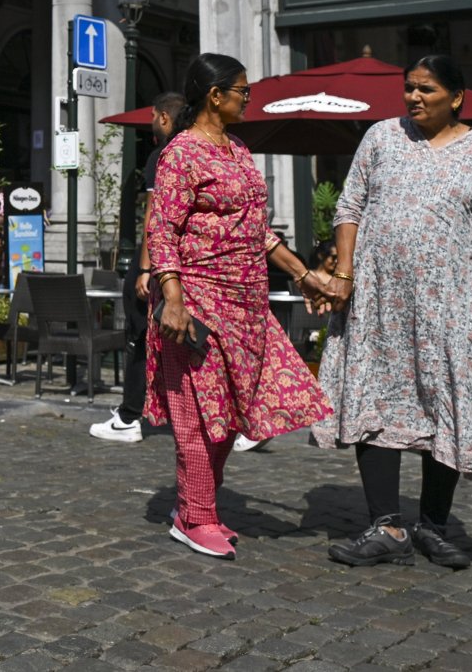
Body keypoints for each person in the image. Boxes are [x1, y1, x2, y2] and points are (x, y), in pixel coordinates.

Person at [313, 54, 472, 571]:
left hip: (453, 308)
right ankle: (386, 526)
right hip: (379, 304)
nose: (414, 98)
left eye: (426, 89)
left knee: (443, 403)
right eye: (409, 88)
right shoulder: (382, 137)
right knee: (376, 399)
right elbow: (350, 206)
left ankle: (433, 527)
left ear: (456, 96)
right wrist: (343, 273)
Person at [146, 53, 331, 558]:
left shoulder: (239, 150)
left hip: (246, 304)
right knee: (199, 414)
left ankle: (194, 505)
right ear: (215, 95)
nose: (249, 99)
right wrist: (174, 299)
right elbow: (161, 229)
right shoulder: (182, 153)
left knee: (230, 413)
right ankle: (195, 516)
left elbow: (258, 231)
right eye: (242, 91)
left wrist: (305, 274)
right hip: (197, 303)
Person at [92, 91, 184, 444]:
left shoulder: (163, 155)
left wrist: (145, 267)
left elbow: (154, 215)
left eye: (152, 119)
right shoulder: (197, 150)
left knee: (138, 336)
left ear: (162, 117)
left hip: (159, 265)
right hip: (186, 264)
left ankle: (130, 416)